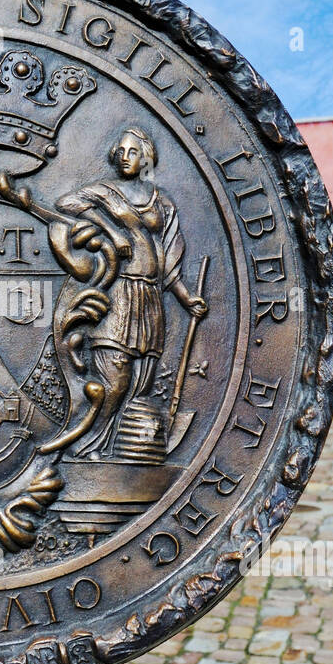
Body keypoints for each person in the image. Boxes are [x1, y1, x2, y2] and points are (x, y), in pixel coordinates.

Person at [54, 126, 207, 459]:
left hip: (151, 296)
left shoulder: (161, 201)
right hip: (120, 292)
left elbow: (169, 256)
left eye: (132, 151)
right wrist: (112, 228)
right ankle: (85, 445)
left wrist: (184, 297)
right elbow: (65, 203)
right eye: (120, 152)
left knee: (141, 381)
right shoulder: (106, 192)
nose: (125, 158)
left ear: (146, 156)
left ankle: (113, 450)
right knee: (115, 377)